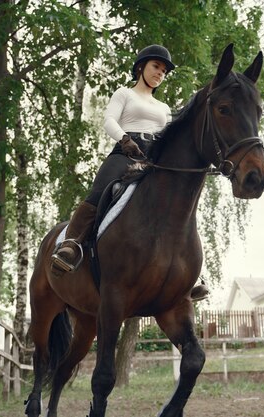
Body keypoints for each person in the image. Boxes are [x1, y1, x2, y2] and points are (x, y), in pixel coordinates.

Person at [51, 44, 209, 302]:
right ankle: (71, 244)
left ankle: (190, 272)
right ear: (141, 67)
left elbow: (169, 137)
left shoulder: (163, 107)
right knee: (102, 190)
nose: (161, 72)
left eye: (164, 70)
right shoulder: (124, 93)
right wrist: (125, 140)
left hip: (154, 158)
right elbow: (109, 120)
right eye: (156, 66)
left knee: (180, 205)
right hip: (125, 151)